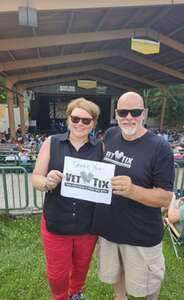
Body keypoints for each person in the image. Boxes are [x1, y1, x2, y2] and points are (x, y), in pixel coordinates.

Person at [91, 92, 175, 300]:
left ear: (144, 114)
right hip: (109, 228)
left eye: (135, 112)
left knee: (148, 281)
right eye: (123, 112)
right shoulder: (110, 135)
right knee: (115, 273)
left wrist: (132, 191)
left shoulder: (159, 147)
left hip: (141, 234)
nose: (129, 117)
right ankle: (120, 298)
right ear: (116, 114)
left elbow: (165, 198)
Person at [32, 98, 103, 300]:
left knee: (81, 266)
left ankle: (75, 293)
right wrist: (47, 182)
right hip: (56, 221)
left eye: (86, 120)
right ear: (68, 119)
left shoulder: (101, 148)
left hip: (87, 225)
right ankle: (59, 297)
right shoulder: (51, 142)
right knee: (57, 273)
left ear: (94, 123)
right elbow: (36, 178)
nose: (80, 123)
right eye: (75, 118)